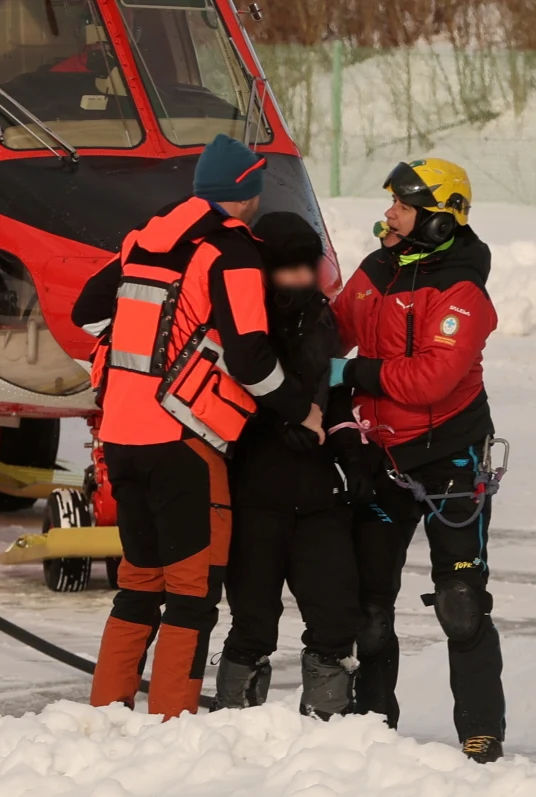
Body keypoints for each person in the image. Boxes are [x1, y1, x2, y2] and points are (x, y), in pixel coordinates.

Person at [70, 134, 326, 720]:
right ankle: (171, 721)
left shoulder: (145, 237)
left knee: (139, 583)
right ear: (247, 191)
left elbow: (87, 314)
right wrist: (300, 409)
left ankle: (107, 712)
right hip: (183, 443)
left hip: (121, 437)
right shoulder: (231, 253)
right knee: (191, 593)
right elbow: (251, 361)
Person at [329, 158, 505, 763]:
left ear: (437, 220)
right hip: (383, 459)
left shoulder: (463, 289)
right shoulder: (378, 269)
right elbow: (333, 330)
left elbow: (432, 377)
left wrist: (350, 372)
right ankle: (373, 726)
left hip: (450, 460)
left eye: (401, 207)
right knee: (369, 609)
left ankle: (481, 733)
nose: (388, 216)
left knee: (460, 604)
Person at [212, 212, 369, 719]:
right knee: (253, 619)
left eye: (309, 268)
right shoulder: (244, 327)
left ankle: (327, 722)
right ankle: (235, 715)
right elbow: (231, 395)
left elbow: (337, 397)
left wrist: (354, 456)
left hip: (321, 496)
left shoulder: (323, 321)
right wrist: (275, 426)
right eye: (289, 269)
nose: (302, 280)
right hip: (257, 494)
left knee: (335, 613)